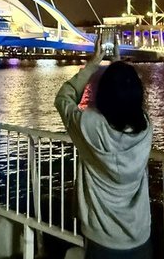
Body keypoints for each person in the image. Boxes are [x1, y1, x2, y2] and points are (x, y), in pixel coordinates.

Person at [55, 36, 153, 258]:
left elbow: (63, 98)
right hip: (140, 234)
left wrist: (93, 64)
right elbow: (126, 100)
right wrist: (118, 66)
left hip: (101, 236)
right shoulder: (145, 127)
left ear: (104, 94)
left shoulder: (90, 125)